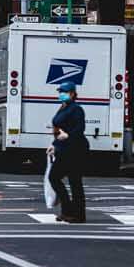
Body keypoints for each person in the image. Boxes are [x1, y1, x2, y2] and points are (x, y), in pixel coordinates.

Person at [48, 83, 88, 222]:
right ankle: (68, 210)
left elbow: (80, 129)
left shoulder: (76, 109)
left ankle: (77, 214)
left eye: (64, 92)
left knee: (74, 181)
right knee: (55, 177)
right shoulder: (64, 107)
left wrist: (68, 136)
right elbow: (58, 129)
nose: (61, 94)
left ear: (72, 94)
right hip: (64, 149)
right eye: (60, 92)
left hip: (75, 149)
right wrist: (54, 145)